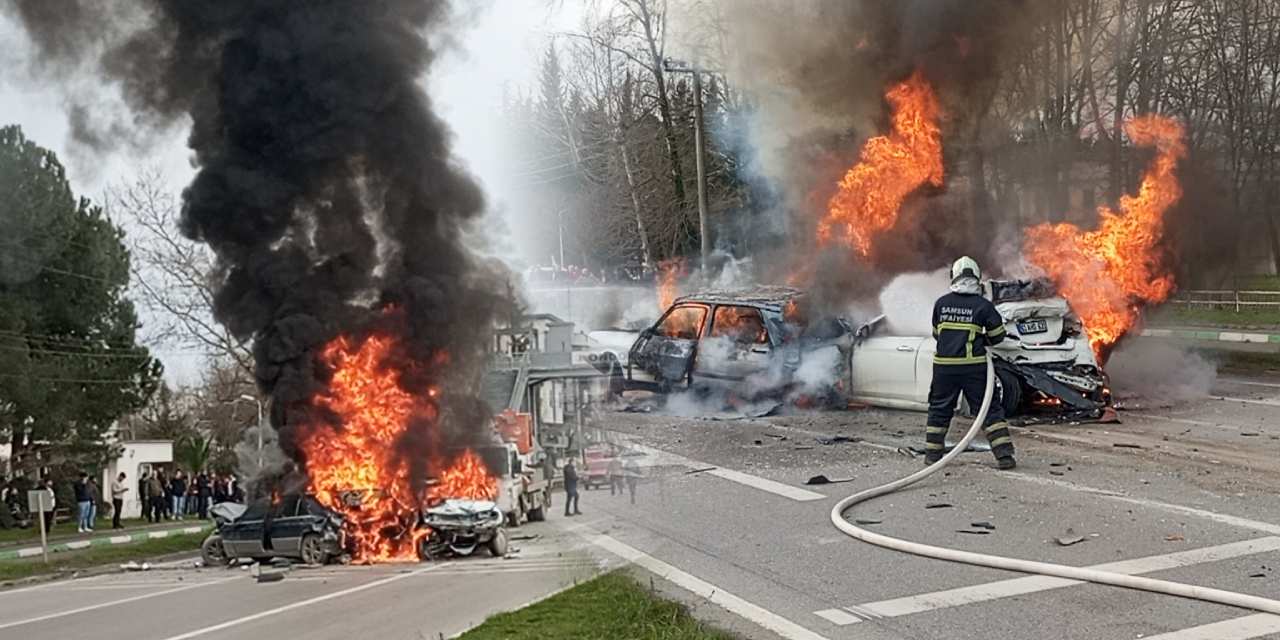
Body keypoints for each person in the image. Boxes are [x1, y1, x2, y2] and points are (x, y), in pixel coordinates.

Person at [924, 257, 1017, 470]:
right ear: (977, 277)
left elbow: (937, 334)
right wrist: (982, 339)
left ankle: (932, 455)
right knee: (989, 410)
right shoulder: (983, 306)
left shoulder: (942, 303)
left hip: (944, 368)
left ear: (954, 276)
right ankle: (1004, 456)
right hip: (973, 367)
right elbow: (998, 336)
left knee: (939, 408)